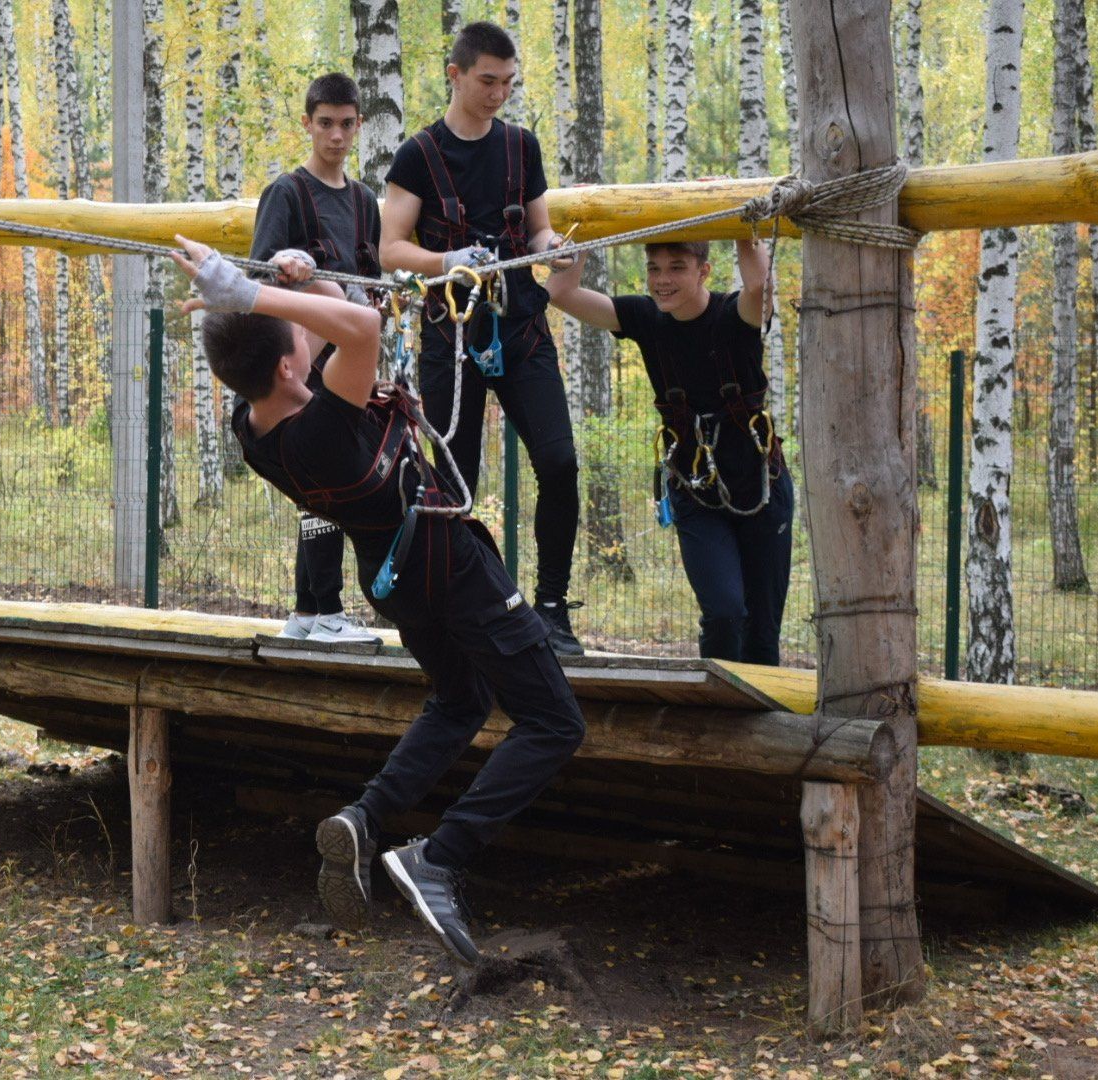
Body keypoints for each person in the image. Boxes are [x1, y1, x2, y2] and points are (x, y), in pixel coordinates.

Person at [168, 234, 585, 966]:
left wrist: (298, 286)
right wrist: (253, 296)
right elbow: (360, 332)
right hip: (450, 564)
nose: (312, 330)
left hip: (395, 577)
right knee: (554, 721)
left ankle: (367, 817)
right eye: (301, 333)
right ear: (295, 363)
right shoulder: (326, 423)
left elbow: (347, 327)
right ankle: (440, 857)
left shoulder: (257, 427)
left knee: (460, 701)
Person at [379, 20, 585, 656]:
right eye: (488, 81)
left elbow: (542, 230)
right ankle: (472, 609)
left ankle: (551, 606)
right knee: (456, 480)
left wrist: (559, 250)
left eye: (508, 83)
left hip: (521, 326)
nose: (499, 94)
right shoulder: (419, 154)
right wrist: (450, 260)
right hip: (452, 336)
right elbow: (390, 247)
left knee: (559, 463)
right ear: (456, 75)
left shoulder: (522, 147)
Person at [546, 238, 794, 665]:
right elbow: (562, 294)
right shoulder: (645, 318)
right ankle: (718, 711)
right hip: (696, 492)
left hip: (761, 487)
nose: (662, 280)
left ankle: (759, 725)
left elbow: (759, 290)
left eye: (676, 267)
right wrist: (578, 241)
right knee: (724, 613)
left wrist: (740, 230)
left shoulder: (736, 315)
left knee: (762, 631)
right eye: (654, 268)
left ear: (704, 271)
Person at [249, 72, 383, 645]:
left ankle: (310, 610)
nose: (336, 135)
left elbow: (369, 284)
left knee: (322, 491)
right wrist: (286, 261)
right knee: (325, 485)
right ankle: (323, 608)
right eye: (325, 123)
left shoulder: (362, 202)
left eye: (346, 124)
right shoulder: (287, 192)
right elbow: (253, 277)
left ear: (359, 126)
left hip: (350, 364)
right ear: (307, 124)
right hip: (298, 370)